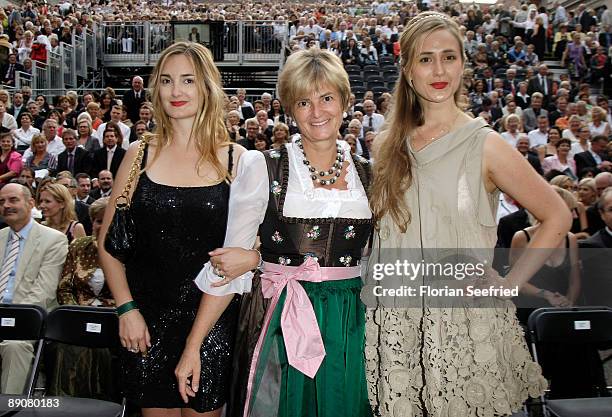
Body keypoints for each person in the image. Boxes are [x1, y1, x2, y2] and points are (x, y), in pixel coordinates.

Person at [367, 12, 570, 416]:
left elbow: (557, 215)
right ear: (407, 69)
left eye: (449, 57)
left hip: (461, 321)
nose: (438, 70)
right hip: (396, 318)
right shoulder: (386, 145)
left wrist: (508, 285)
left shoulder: (485, 144)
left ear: (463, 63)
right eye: (425, 59)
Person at [191, 47, 374, 417]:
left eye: (326, 98)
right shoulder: (263, 167)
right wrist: (193, 344)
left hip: (350, 321)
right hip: (279, 318)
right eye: (304, 102)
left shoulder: (370, 174)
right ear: (290, 108)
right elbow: (229, 264)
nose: (317, 111)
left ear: (345, 100)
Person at [98, 41, 242, 416]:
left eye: (188, 80)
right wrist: (126, 308)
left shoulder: (236, 160)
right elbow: (108, 245)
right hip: (146, 322)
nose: (176, 91)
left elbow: (247, 251)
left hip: (211, 321)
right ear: (154, 89)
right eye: (166, 80)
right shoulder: (136, 156)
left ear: (207, 86)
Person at [0, 183, 68, 394]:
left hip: (25, 321)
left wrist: (9, 318)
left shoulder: (53, 240)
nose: (6, 206)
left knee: (14, 347)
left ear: (30, 204)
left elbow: (43, 293)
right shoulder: (0, 237)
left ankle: (8, 409)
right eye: (1, 201)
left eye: (13, 200)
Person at [48, 197, 115, 399]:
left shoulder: (130, 251)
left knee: (95, 348)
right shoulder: (78, 246)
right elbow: (64, 288)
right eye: (98, 221)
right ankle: (63, 404)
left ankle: (97, 403)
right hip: (78, 316)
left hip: (113, 320)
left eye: (108, 221)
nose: (102, 226)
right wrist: (78, 313)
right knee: (67, 344)